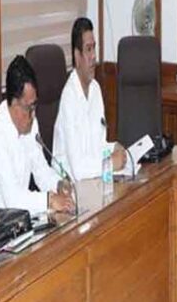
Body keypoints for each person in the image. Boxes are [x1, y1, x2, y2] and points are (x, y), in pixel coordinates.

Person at [0, 56, 74, 216]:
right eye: (28, 108)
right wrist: (49, 200)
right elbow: (13, 199)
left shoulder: (31, 121)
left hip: (21, 216)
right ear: (13, 102)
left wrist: (58, 185)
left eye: (34, 105)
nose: (33, 115)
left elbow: (40, 170)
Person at [52, 17, 127, 180]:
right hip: (69, 185)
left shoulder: (95, 89)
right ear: (77, 55)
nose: (94, 56)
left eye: (94, 48)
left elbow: (97, 146)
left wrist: (114, 147)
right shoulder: (69, 98)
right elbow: (77, 169)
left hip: (92, 179)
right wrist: (111, 164)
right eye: (88, 49)